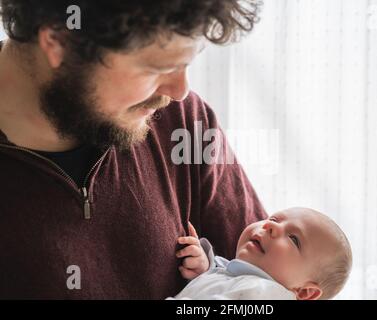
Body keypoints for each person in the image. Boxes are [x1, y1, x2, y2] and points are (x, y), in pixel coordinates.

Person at [0, 0, 267, 299]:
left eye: (186, 63)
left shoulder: (184, 124)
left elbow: (278, 283)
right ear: (58, 41)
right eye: (158, 68)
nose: (179, 91)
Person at [170, 207, 352, 300]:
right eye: (274, 219)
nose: (270, 226)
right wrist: (204, 272)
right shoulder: (239, 278)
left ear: (305, 292)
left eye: (294, 239)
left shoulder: (267, 293)